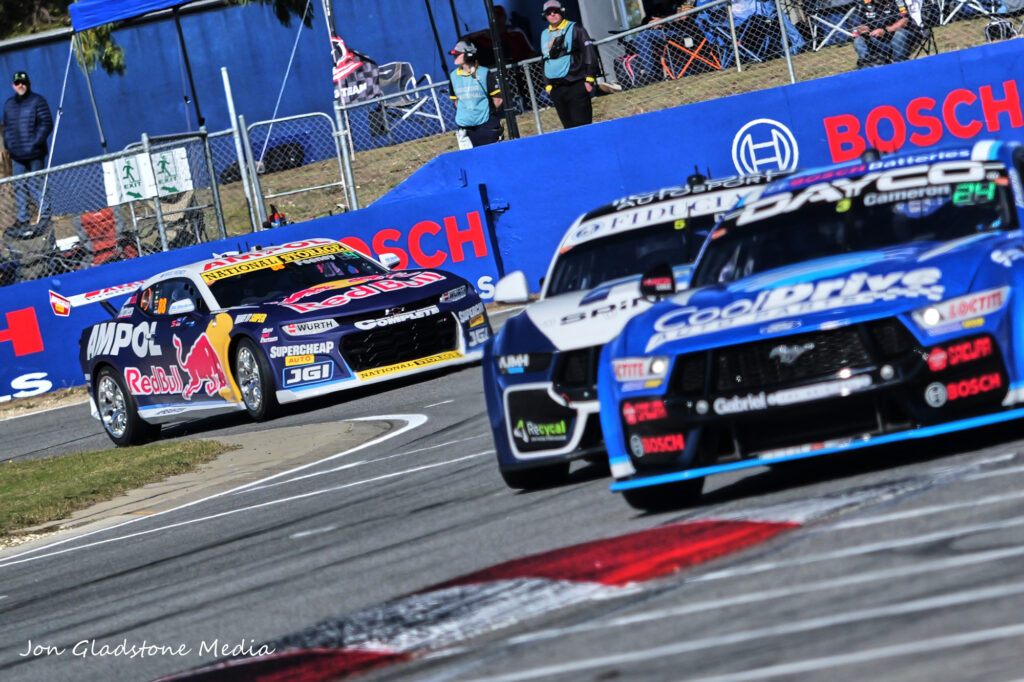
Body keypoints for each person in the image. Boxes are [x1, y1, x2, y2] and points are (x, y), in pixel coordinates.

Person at [2, 71, 52, 228]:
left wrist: (35, 143)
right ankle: (23, 219)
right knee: (19, 185)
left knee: (38, 183)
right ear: (13, 85)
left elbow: (46, 123)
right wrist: (9, 145)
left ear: (28, 83)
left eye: (23, 82)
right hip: (17, 155)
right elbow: (7, 128)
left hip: (35, 153)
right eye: (17, 83)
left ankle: (45, 215)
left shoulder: (38, 101)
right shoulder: (9, 104)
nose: (20, 85)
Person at [539, 1, 599, 129]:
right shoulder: (544, 34)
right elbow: (545, 60)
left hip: (576, 83)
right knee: (568, 128)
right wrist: (548, 85)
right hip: (556, 89)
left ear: (562, 11)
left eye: (555, 10)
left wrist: (589, 78)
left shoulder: (576, 28)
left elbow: (589, 53)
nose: (552, 14)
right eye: (549, 12)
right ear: (545, 15)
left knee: (582, 126)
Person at [449, 40, 504, 147]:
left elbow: (498, 100)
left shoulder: (484, 73)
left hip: (486, 124)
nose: (454, 56)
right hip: (465, 127)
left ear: (469, 55)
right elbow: (456, 101)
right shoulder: (453, 76)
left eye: (457, 54)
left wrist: (485, 115)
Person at [852, 0, 914, 67]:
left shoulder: (898, 1)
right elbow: (860, 24)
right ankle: (868, 64)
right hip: (877, 40)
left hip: (899, 38)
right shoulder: (865, 3)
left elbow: (904, 20)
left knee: (899, 34)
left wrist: (885, 30)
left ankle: (899, 63)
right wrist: (863, 30)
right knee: (858, 40)